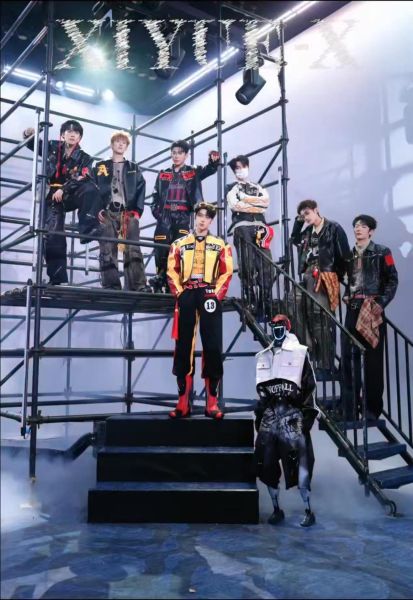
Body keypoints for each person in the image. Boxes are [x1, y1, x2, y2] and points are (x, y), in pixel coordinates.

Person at [167, 202, 233, 419]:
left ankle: (211, 404)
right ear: (195, 217)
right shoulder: (179, 243)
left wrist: (216, 294)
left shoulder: (221, 244)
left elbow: (227, 272)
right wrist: (180, 293)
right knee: (183, 346)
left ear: (211, 220)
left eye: (207, 217)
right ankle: (182, 403)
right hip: (187, 293)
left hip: (209, 294)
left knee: (212, 345)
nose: (202, 220)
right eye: (200, 215)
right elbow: (171, 271)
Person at [254, 314, 318, 527]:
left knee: (301, 463)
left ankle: (308, 510)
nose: (276, 328)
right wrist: (260, 417)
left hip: (292, 415)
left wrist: (306, 417)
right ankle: (276, 509)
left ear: (287, 327)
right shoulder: (264, 356)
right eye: (273, 325)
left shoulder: (300, 353)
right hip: (270, 416)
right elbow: (261, 394)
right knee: (266, 463)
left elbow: (309, 387)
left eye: (280, 325)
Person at [23, 120, 102, 285]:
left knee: (91, 188)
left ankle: (88, 229)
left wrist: (64, 189)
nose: (72, 134)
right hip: (51, 194)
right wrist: (29, 134)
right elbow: (33, 145)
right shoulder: (52, 146)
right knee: (53, 234)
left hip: (71, 193)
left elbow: (83, 177)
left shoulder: (85, 157)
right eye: (69, 131)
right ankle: (58, 278)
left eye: (76, 132)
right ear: (62, 135)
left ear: (80, 137)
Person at [341, 215, 398, 419]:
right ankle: (349, 409)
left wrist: (380, 304)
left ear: (371, 231)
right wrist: (346, 294)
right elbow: (349, 280)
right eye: (356, 226)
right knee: (349, 359)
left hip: (373, 308)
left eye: (363, 226)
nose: (358, 229)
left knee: (373, 361)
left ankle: (372, 409)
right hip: (353, 308)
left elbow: (393, 280)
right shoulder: (349, 255)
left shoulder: (383, 252)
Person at [150, 140, 220, 292]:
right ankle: (160, 279)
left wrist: (213, 162)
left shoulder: (193, 171)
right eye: (174, 153)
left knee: (179, 250)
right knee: (161, 247)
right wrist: (158, 213)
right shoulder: (163, 173)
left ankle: (172, 282)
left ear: (186, 155)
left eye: (180, 153)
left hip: (182, 216)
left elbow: (209, 170)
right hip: (165, 216)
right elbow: (155, 196)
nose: (176, 156)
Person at [290, 199, 350, 375]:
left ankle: (326, 363)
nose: (306, 218)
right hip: (308, 275)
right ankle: (310, 347)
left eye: (307, 213)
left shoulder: (333, 228)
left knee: (320, 318)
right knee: (292, 303)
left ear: (316, 210)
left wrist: (336, 275)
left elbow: (345, 255)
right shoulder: (307, 232)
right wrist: (298, 222)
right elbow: (294, 239)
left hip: (324, 276)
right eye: (303, 216)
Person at [94, 131, 150, 291]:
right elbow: (94, 188)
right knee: (107, 247)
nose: (120, 144)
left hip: (128, 212)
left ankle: (137, 285)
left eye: (123, 142)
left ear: (126, 146)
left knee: (133, 247)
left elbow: (141, 188)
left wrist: (137, 211)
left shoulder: (133, 168)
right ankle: (111, 285)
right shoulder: (100, 166)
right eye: (117, 141)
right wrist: (97, 209)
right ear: (112, 144)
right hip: (107, 212)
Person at [226, 155, 274, 319]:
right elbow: (235, 205)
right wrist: (255, 204)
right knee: (247, 266)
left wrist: (246, 200)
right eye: (237, 168)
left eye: (243, 166)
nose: (240, 170)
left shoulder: (258, 187)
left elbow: (265, 203)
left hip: (261, 228)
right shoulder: (231, 187)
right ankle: (251, 300)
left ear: (248, 167)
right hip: (242, 227)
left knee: (266, 265)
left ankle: (265, 302)